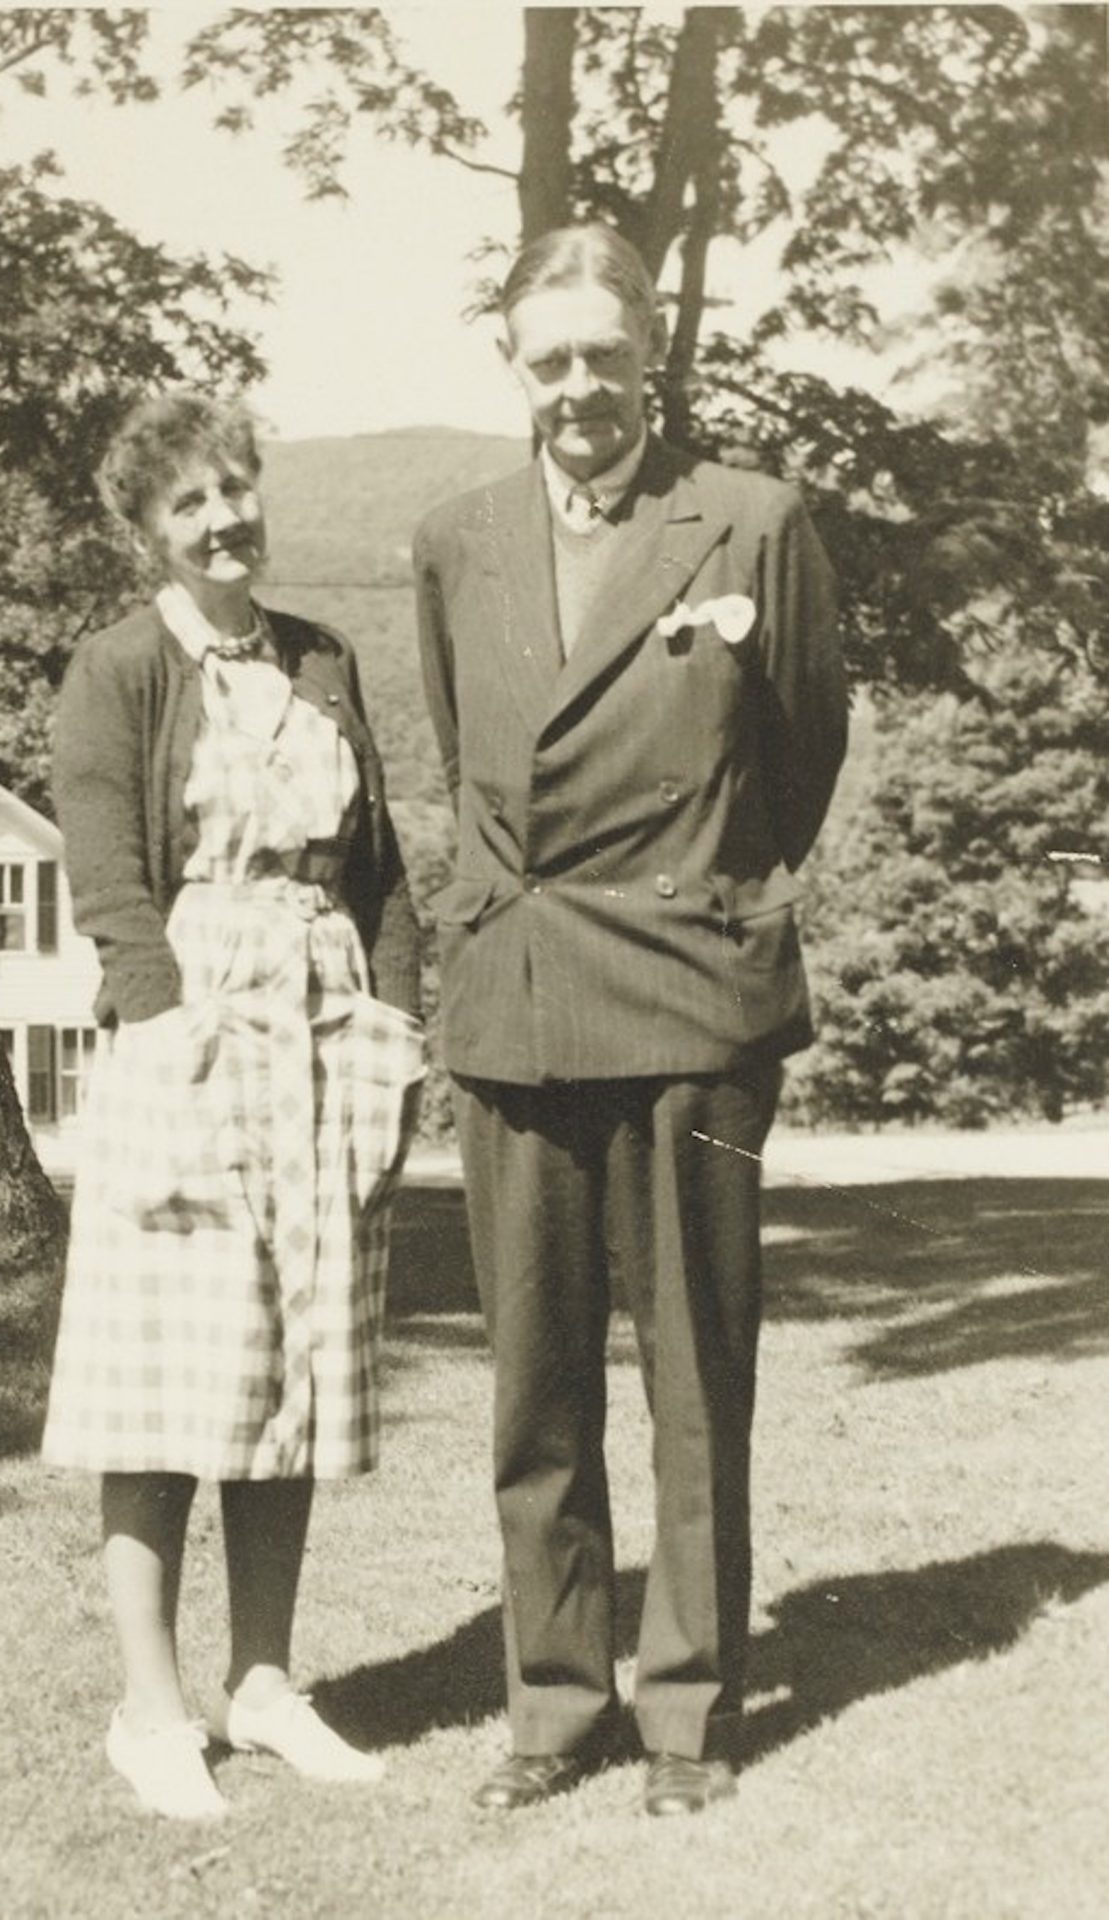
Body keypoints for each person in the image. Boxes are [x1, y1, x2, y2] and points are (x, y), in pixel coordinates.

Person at [413, 225, 847, 1817]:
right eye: (550, 359)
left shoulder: (749, 520)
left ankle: (686, 1712)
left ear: (650, 348)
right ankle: (551, 1701)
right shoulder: (455, 535)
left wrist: (710, 893)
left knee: (691, 1373)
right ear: (511, 368)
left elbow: (801, 755)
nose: (580, 387)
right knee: (534, 1382)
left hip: (694, 997)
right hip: (517, 999)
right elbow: (470, 753)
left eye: (606, 353)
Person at [42, 389, 424, 1821]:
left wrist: (393, 1021)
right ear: (147, 529)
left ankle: (261, 1685)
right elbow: (110, 885)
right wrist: (167, 1037)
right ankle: (150, 1713)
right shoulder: (119, 669)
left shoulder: (322, 660)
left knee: (293, 1372)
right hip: (189, 1029)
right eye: (190, 503)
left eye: (236, 490)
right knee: (165, 1387)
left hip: (324, 1030)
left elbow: (374, 863)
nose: (224, 521)